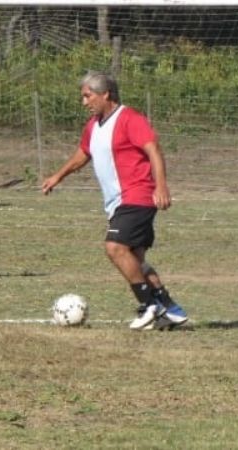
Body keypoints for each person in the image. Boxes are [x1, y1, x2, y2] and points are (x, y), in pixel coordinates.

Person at [41, 72, 188, 330]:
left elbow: (153, 149)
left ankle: (149, 305)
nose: (84, 102)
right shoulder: (93, 125)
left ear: (105, 94)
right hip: (117, 202)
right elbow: (82, 153)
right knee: (136, 258)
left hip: (138, 195)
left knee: (115, 247)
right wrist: (58, 176)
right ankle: (171, 308)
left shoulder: (130, 119)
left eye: (88, 96)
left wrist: (162, 185)